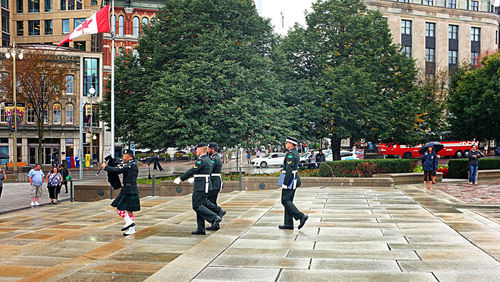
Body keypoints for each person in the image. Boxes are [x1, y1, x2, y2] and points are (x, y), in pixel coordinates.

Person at [174, 143, 222, 235]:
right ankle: (201, 228)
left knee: (196, 206)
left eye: (197, 149)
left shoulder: (202, 160)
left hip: (201, 186)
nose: (196, 151)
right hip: (206, 185)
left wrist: (180, 178)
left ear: (201, 150)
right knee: (200, 206)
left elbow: (193, 170)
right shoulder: (208, 159)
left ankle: (214, 217)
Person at [101, 149, 140, 236]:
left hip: (127, 189)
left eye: (124, 155)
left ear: (128, 156)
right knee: (129, 210)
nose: (123, 157)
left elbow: (117, 170)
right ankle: (132, 229)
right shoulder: (133, 163)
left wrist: (105, 168)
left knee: (116, 206)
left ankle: (128, 221)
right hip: (133, 188)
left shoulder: (128, 164)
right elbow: (118, 166)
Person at [279, 136, 308, 230]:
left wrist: (285, 182)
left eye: (287, 143)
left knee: (285, 200)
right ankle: (288, 223)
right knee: (288, 201)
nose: (285, 144)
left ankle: (301, 216)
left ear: (291, 144)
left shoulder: (291, 154)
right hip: (291, 178)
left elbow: (289, 169)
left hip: (290, 178)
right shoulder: (294, 152)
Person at [206, 143, 226, 231]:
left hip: (214, 182)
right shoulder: (215, 157)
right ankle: (215, 223)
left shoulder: (214, 158)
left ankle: (219, 211)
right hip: (214, 181)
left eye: (208, 149)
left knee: (209, 202)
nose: (207, 150)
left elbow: (209, 168)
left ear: (212, 149)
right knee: (211, 202)